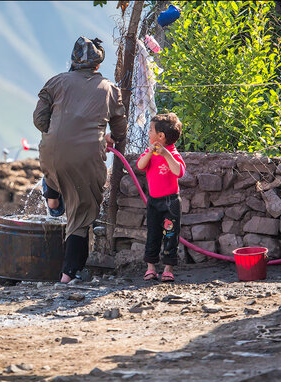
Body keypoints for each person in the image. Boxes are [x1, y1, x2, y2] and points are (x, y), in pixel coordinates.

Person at [33, 36, 128, 284]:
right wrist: (109, 138)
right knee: (82, 215)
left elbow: (39, 120)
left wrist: (58, 133)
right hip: (86, 158)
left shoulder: (55, 82)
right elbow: (120, 130)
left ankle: (53, 200)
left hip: (51, 153)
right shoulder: (109, 89)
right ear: (97, 65)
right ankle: (68, 274)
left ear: (73, 61)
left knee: (56, 175)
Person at [136, 113, 186, 282]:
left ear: (161, 136)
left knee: (171, 235)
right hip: (153, 202)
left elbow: (179, 171)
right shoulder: (149, 152)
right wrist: (150, 153)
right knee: (153, 235)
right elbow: (140, 165)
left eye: (150, 130)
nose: (148, 133)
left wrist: (165, 154)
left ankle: (168, 269)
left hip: (170, 202)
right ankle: (151, 268)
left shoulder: (172, 153)